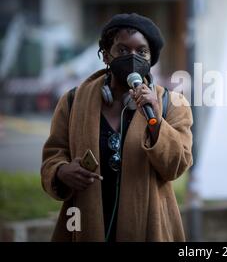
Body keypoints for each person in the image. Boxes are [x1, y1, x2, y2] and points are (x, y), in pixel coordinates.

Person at [41, 13, 193, 242]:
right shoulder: (72, 101)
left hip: (149, 228)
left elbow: (177, 165)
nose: (132, 57)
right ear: (105, 56)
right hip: (86, 224)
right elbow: (52, 157)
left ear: (151, 58)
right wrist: (61, 171)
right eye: (122, 50)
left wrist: (155, 121)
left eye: (141, 51)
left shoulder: (172, 104)